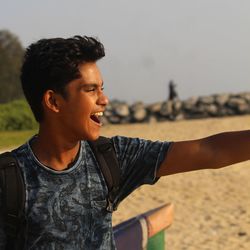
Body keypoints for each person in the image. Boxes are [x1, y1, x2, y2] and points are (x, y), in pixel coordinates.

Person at [0, 35, 249, 250]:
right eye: (90, 90)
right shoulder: (10, 181)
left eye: (102, 88)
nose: (104, 100)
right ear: (53, 102)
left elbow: (210, 151)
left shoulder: (111, 158)